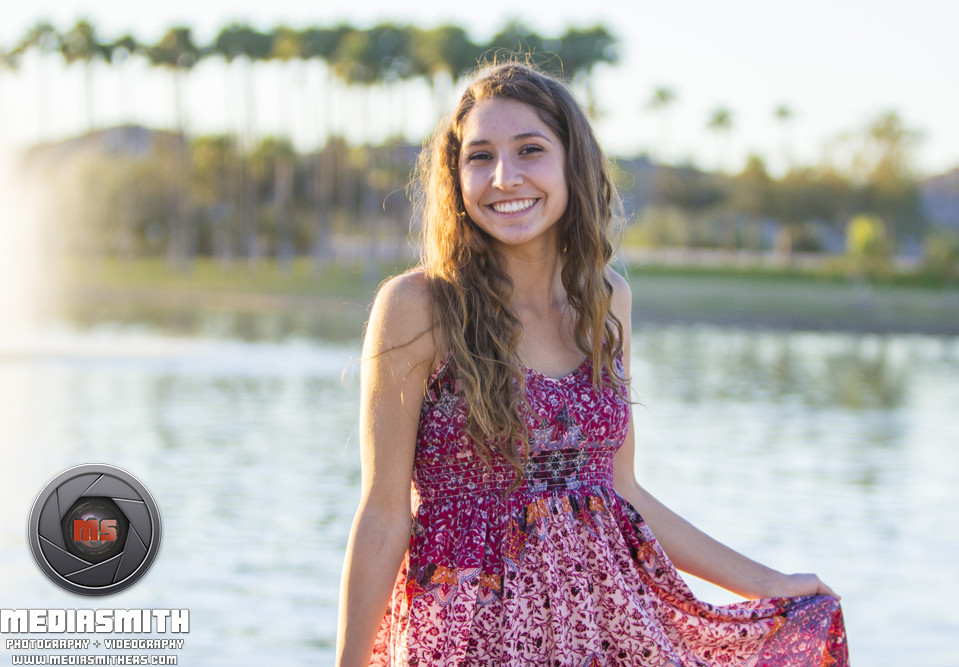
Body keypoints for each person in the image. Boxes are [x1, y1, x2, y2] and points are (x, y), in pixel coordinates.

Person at [336, 61, 849, 666]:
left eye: (530, 150)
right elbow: (383, 512)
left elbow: (621, 492)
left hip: (603, 629)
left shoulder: (606, 302)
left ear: (571, 164)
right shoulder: (419, 305)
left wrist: (767, 583)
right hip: (465, 634)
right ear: (456, 177)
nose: (505, 177)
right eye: (480, 157)